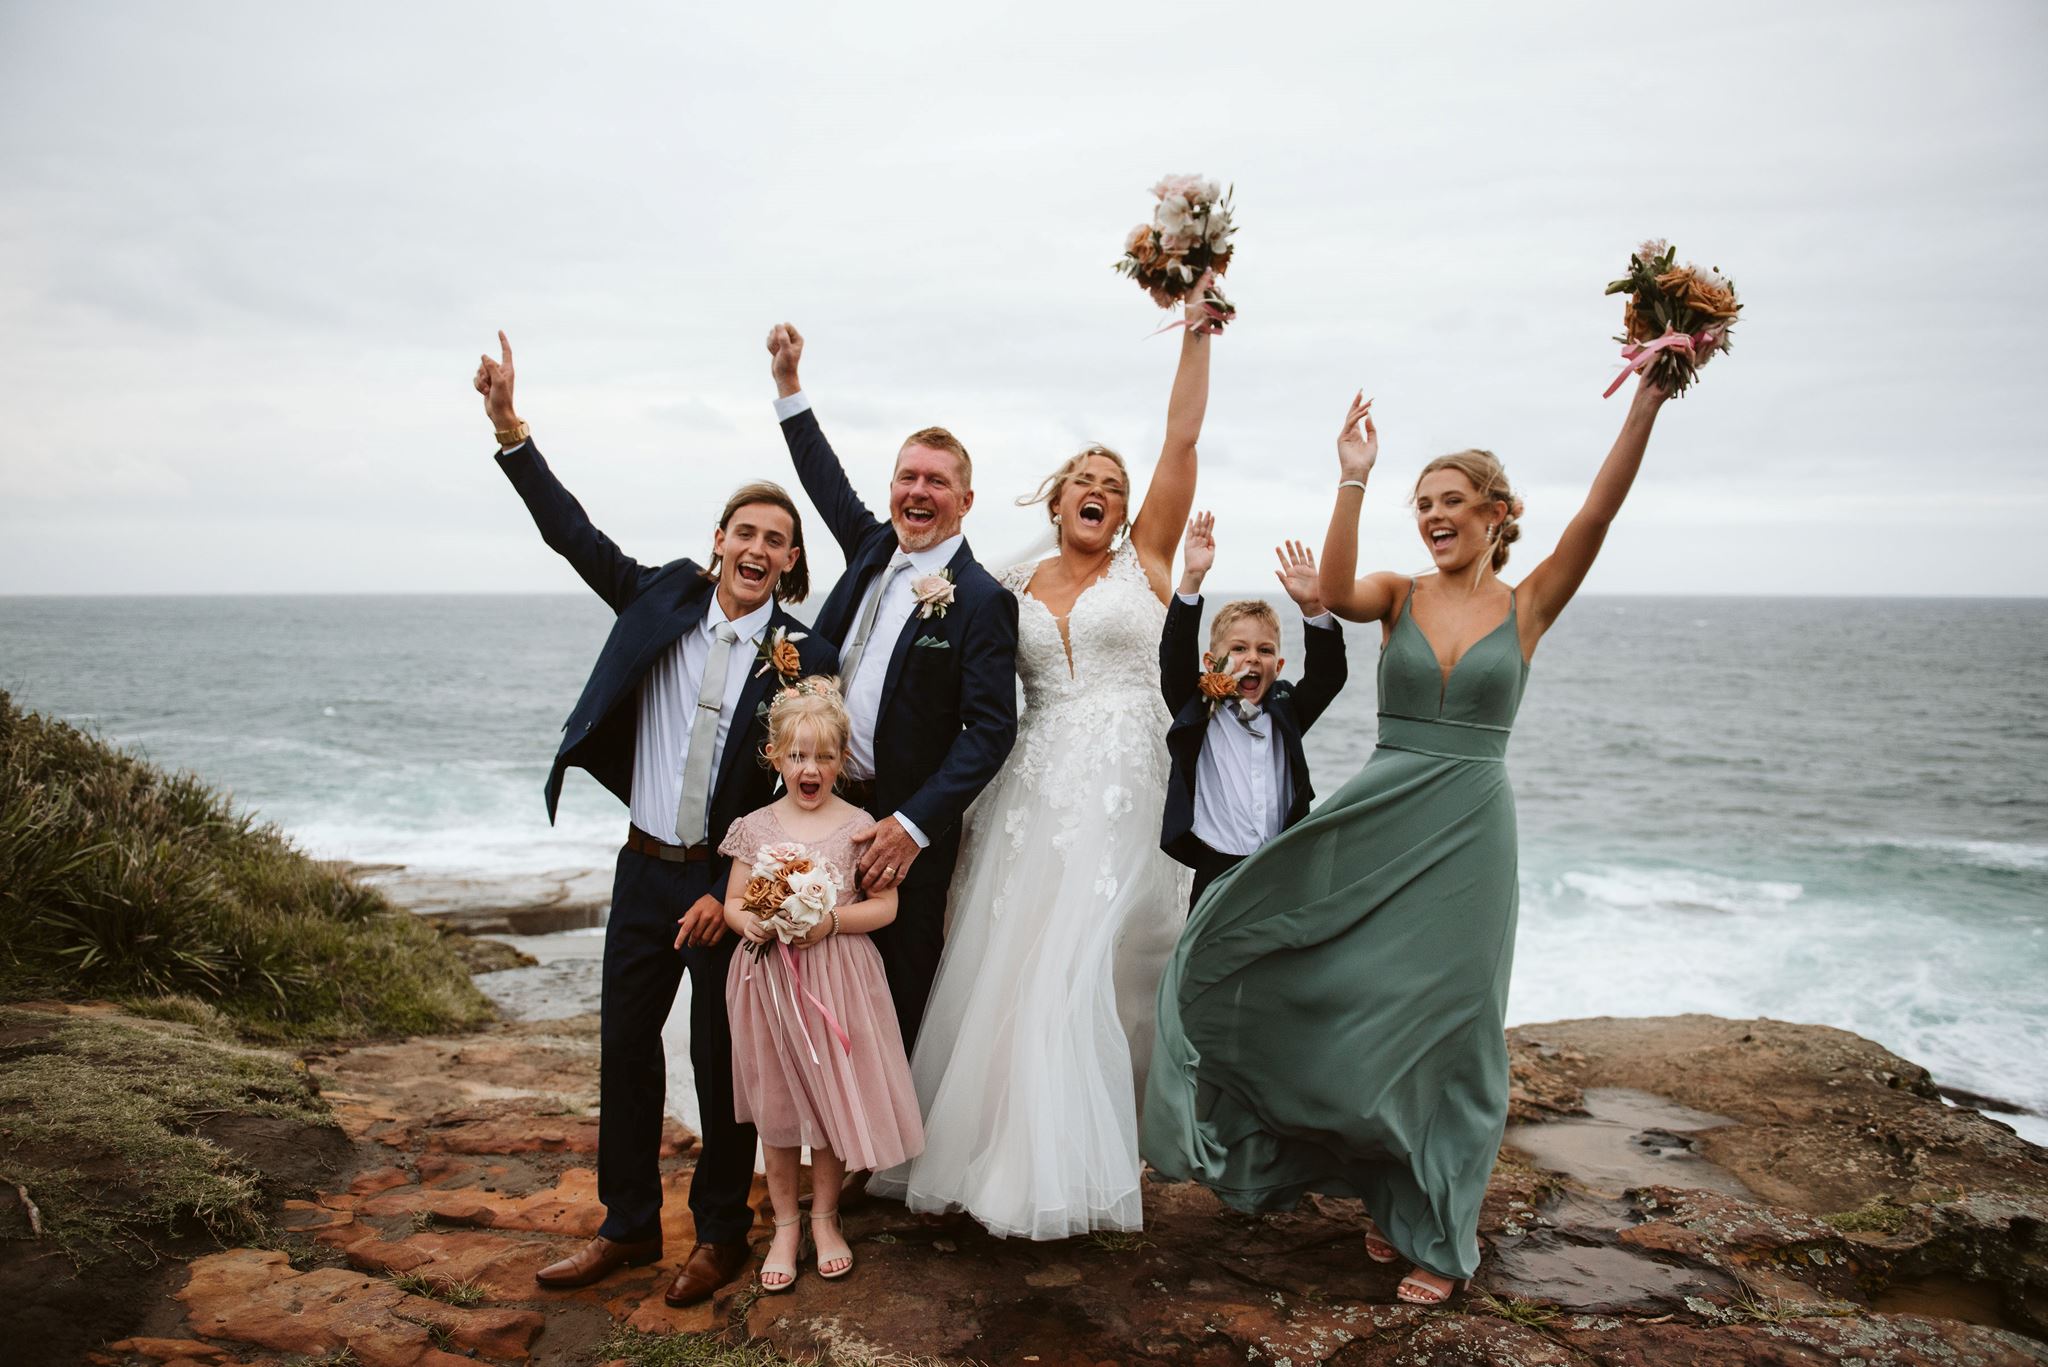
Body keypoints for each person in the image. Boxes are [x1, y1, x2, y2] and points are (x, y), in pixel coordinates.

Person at [1144, 379, 1675, 1303]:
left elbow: (1598, 510)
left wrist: (1647, 407)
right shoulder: (1397, 595)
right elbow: (1340, 589)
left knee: (1456, 1029)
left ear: (1496, 514)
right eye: (1422, 504)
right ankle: (1385, 1191)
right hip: (1384, 809)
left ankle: (1438, 1229)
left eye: (1450, 502)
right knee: (1352, 998)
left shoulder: (1530, 602)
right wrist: (1353, 479)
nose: (1433, 517)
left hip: (1472, 826)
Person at [473, 333, 837, 1307]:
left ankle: (719, 1230)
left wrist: (739, 894)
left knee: (723, 1066)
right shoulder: (661, 593)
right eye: (744, 532)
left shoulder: (802, 657)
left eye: (776, 539)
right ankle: (627, 1225)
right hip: (641, 870)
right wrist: (512, 432)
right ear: (718, 540)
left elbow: (797, 793)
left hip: (728, 888)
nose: (757, 548)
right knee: (625, 1053)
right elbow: (572, 534)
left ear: (792, 561)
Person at [870, 289, 1217, 1238]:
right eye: (1084, 476)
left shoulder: (1145, 558)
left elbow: (1181, 443)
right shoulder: (1006, 582)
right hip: (1030, 788)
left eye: (1113, 476)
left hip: (1126, 786)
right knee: (1012, 965)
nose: (1100, 485)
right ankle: (1002, 1160)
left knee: (1098, 965)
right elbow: (963, 683)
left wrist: (1194, 334)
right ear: (1057, 498)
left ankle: (1093, 1158)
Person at [763, 324, 1019, 1054]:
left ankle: (886, 1163)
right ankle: (828, 1150)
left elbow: (991, 729)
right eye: (908, 476)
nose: (918, 490)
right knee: (814, 976)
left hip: (899, 828)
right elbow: (820, 476)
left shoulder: (977, 598)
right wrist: (789, 387)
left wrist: (912, 826)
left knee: (896, 990)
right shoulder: (873, 547)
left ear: (965, 500)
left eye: (936, 480)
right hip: (821, 802)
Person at [708, 679, 922, 1292]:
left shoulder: (859, 826)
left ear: (841, 760)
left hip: (840, 980)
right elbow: (733, 902)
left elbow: (885, 908)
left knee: (830, 1103)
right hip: (766, 980)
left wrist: (827, 921)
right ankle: (784, 1225)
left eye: (824, 757)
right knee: (776, 1106)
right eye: (798, 755)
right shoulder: (753, 826)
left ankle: (825, 1219)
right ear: (773, 757)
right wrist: (752, 919)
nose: (811, 768)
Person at [1160, 513, 1348, 907]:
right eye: (1239, 648)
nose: (1252, 658)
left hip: (1280, 867)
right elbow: (1174, 658)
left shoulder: (1287, 709)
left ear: (1278, 666)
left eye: (1265, 650)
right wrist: (1192, 578)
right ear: (1212, 661)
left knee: (1277, 963)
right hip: (1215, 865)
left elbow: (1327, 676)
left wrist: (1313, 606)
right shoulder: (1198, 709)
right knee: (1205, 962)